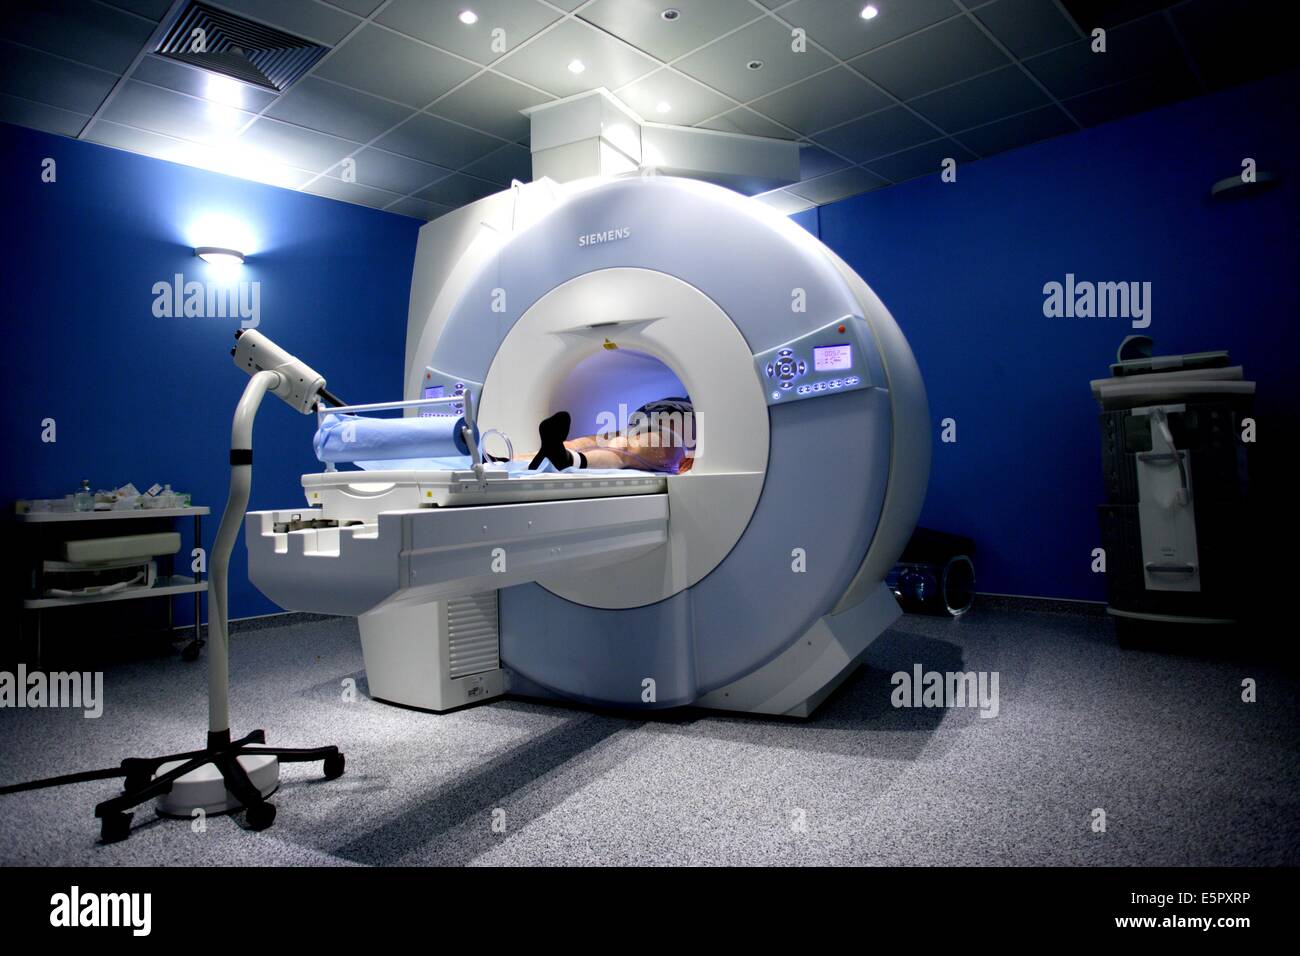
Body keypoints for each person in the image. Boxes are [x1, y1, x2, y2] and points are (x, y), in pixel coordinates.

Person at [524, 398, 695, 474]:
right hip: (646, 419)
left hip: (673, 428)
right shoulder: (702, 395)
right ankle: (505, 459)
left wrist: (696, 457)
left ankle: (567, 460)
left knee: (623, 447)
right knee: (581, 443)